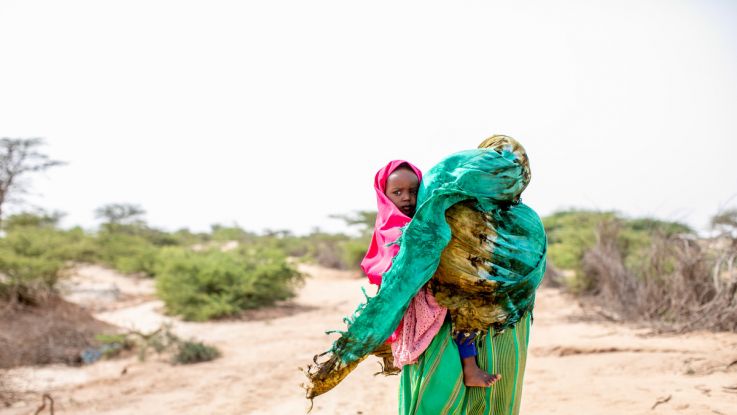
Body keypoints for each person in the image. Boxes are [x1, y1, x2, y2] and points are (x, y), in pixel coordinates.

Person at [361, 160, 500, 388]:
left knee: (465, 302)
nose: (406, 198)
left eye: (413, 191)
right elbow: (389, 269)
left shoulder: (429, 219)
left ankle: (469, 365)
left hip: (438, 288)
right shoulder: (389, 227)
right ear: (384, 195)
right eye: (397, 192)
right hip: (412, 299)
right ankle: (470, 367)